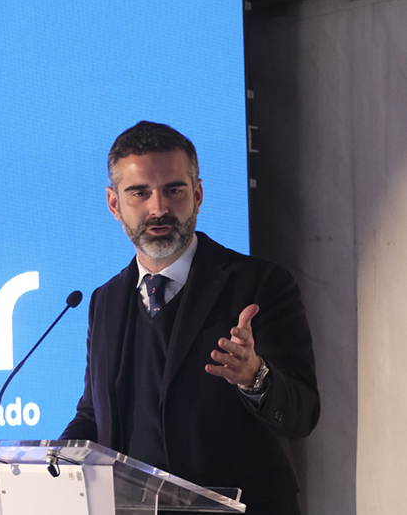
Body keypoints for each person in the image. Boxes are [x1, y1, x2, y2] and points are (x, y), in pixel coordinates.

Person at [58, 121, 320, 515]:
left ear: (197, 195)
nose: (158, 207)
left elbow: (302, 415)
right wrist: (42, 469)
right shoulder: (104, 301)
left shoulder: (261, 285)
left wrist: (255, 377)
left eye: (174, 190)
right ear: (114, 204)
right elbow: (94, 416)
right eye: (140, 192)